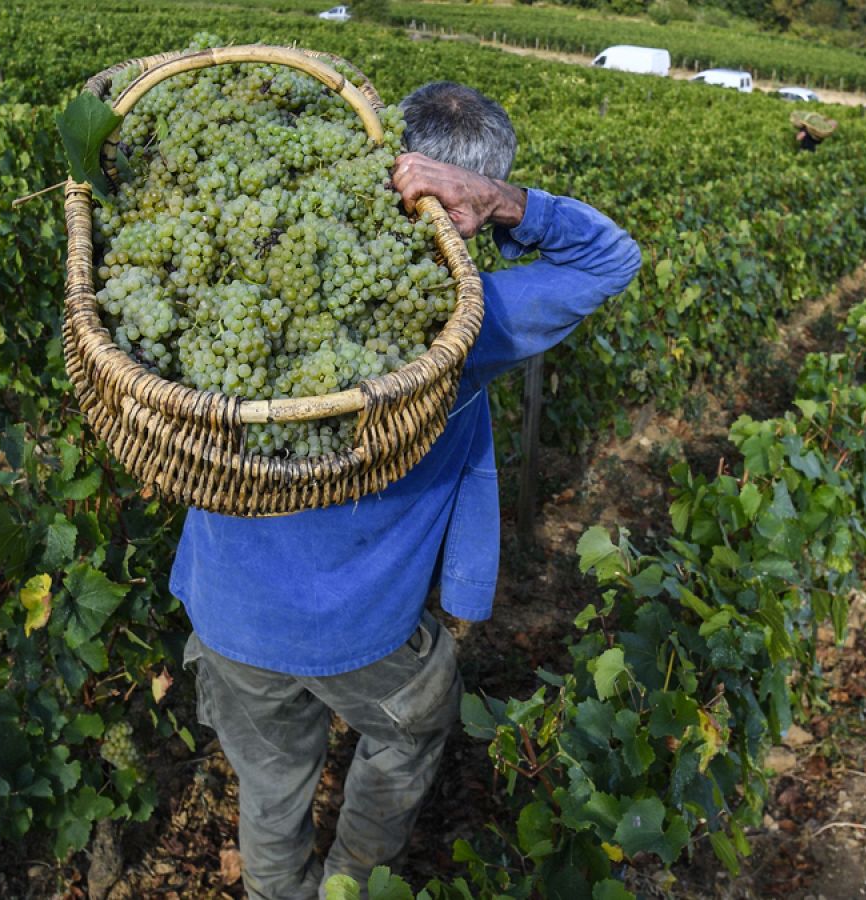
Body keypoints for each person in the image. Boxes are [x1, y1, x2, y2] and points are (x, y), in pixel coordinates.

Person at [171, 81, 641, 899]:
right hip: (363, 629)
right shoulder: (464, 325)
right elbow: (611, 258)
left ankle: (276, 892)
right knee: (416, 725)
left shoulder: (245, 262)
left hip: (229, 607)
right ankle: (352, 883)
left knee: (272, 778)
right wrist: (500, 203)